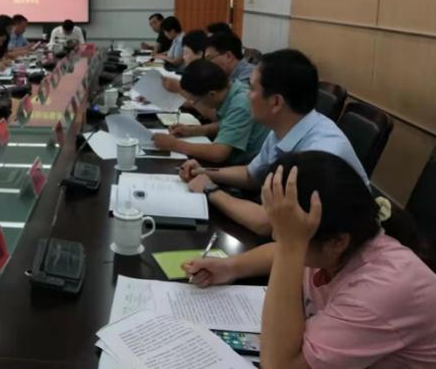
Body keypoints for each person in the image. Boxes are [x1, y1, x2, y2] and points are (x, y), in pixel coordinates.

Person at [184, 151, 436, 369]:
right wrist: (230, 267)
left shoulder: (383, 289)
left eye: (285, 233)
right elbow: (276, 252)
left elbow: (280, 365)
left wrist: (291, 246)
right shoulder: (336, 243)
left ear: (337, 242)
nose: (276, 236)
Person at [179, 49, 368, 235]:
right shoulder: (285, 125)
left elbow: (269, 224)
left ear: (276, 102)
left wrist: (211, 190)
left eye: (252, 88)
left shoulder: (320, 152)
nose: (247, 95)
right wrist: (204, 172)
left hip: (336, 249)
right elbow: (252, 175)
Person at [152, 60, 268, 165]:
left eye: (195, 101)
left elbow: (218, 154)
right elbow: (227, 124)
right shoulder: (233, 90)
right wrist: (193, 130)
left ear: (212, 94)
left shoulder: (241, 104)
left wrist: (173, 144)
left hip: (245, 168)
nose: (194, 103)